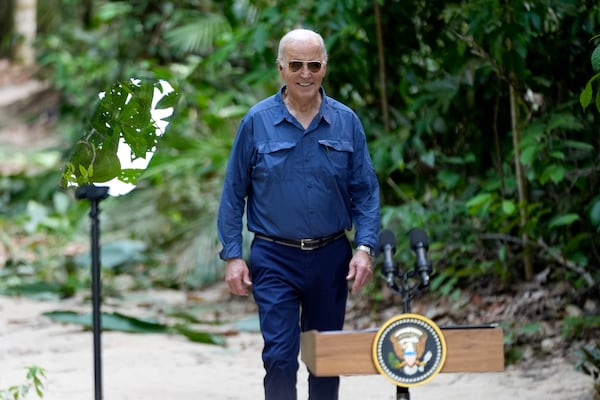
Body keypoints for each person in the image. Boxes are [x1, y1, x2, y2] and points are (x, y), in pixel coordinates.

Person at [217, 28, 380, 400]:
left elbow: (366, 192)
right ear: (281, 68)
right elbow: (233, 194)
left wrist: (364, 248)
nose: (305, 73)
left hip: (330, 258)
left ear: (324, 68)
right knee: (279, 357)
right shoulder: (256, 122)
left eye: (313, 65)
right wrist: (233, 256)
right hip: (274, 257)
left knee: (325, 360)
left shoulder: (346, 122)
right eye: (296, 65)